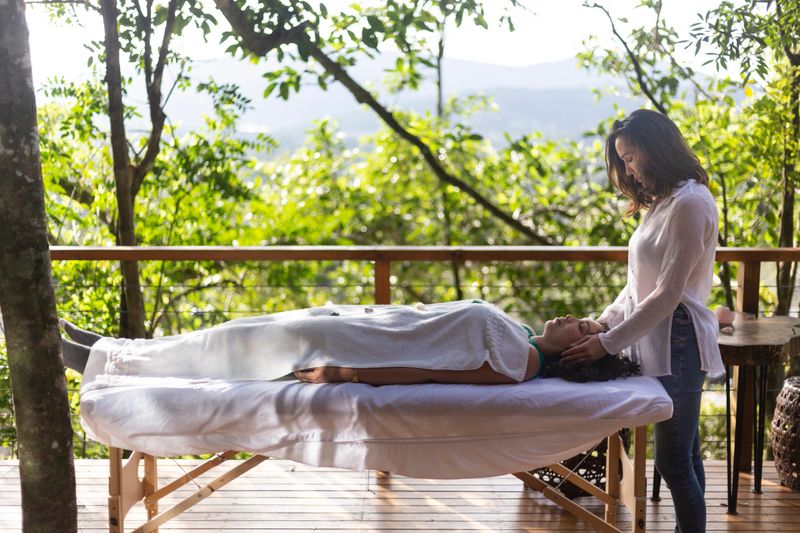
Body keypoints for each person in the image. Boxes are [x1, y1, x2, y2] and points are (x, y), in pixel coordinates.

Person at [561, 109, 724, 533]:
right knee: (683, 457)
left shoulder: (691, 203)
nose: (629, 170)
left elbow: (668, 294)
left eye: (632, 157)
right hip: (660, 335)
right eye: (624, 160)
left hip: (679, 339)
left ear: (656, 149)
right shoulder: (664, 203)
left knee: (673, 462)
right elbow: (637, 287)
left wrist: (607, 344)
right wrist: (603, 322)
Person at [60, 299, 638, 385]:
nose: (575, 319)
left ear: (574, 352)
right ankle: (115, 346)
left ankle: (102, 360)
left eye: (585, 328)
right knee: (228, 335)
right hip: (355, 321)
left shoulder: (524, 362)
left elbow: (439, 376)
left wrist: (350, 374)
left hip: (351, 344)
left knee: (225, 353)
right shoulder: (518, 333)